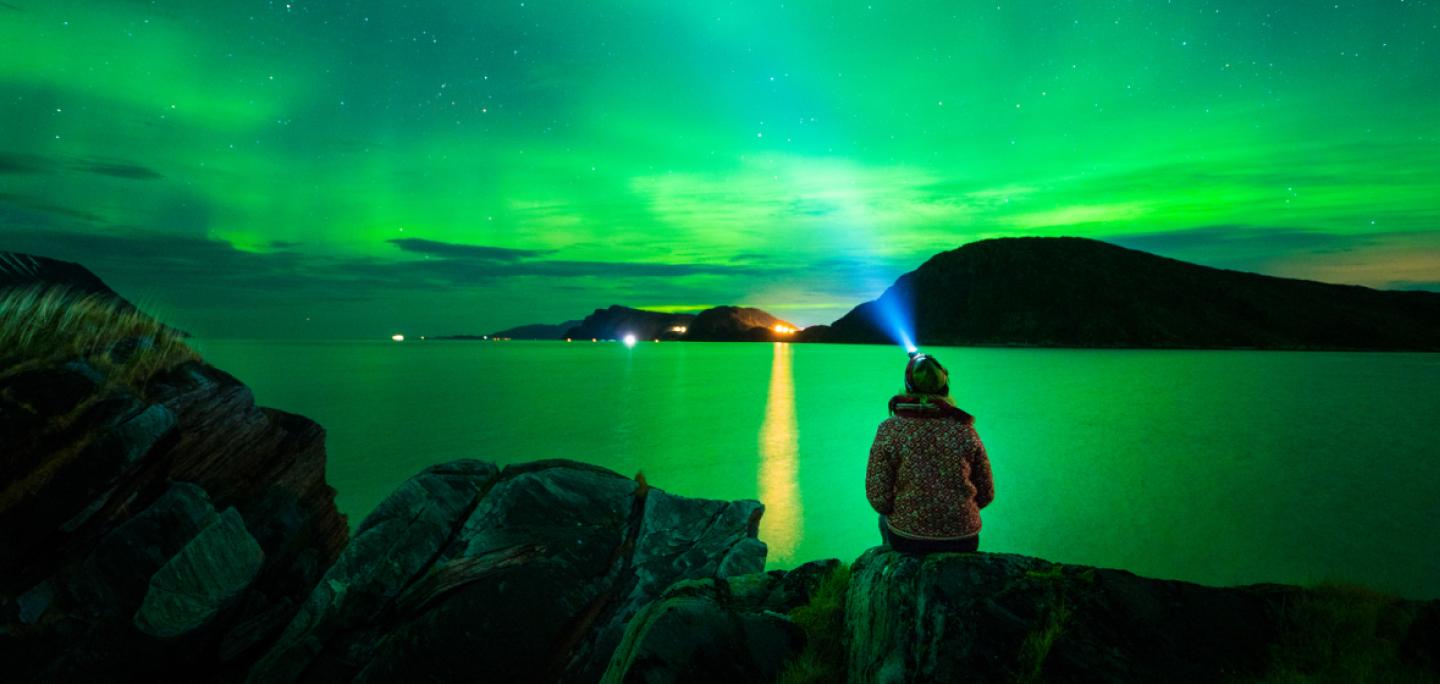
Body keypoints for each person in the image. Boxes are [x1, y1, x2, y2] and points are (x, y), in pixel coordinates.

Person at [866, 352, 994, 554]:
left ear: (908, 386)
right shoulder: (965, 429)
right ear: (945, 387)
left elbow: (879, 498)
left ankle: (893, 566)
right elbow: (986, 493)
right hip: (963, 539)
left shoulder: (890, 429)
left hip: (909, 540)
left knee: (884, 519)